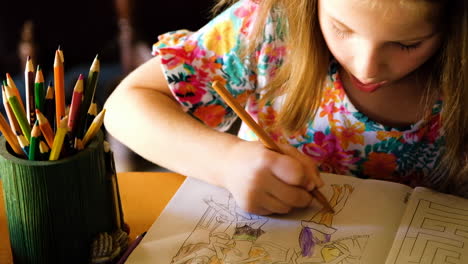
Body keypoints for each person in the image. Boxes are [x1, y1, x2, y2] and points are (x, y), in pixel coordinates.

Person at [104, 0, 468, 215]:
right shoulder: (270, 27)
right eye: (342, 28)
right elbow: (126, 105)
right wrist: (227, 162)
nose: (366, 66)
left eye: (407, 44)